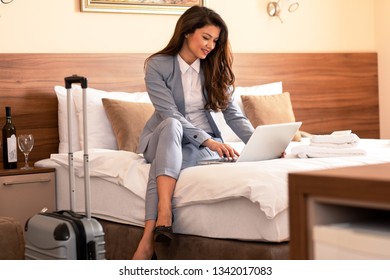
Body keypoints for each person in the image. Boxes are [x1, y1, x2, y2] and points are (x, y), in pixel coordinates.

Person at [132, 5, 254, 260]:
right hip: (164, 139)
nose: (210, 45)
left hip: (196, 148)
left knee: (166, 167)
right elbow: (169, 113)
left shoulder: (214, 68)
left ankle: (147, 239)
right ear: (187, 32)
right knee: (173, 125)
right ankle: (164, 213)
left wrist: (259, 142)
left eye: (215, 40)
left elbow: (233, 114)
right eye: (206, 37)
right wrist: (208, 141)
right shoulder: (157, 65)